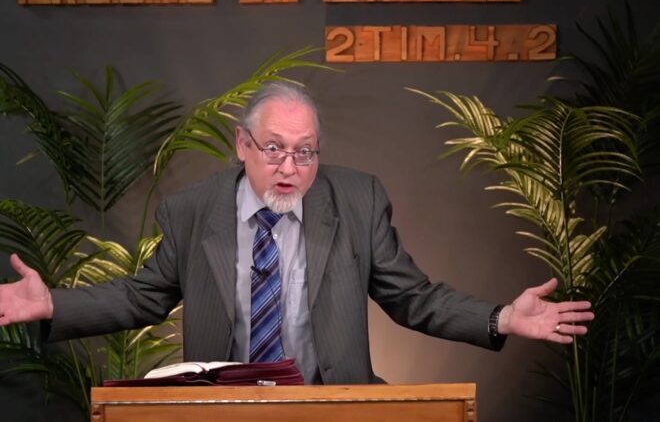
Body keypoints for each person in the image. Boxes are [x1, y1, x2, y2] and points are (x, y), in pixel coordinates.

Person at [0, 81, 594, 384]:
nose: (290, 168)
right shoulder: (191, 210)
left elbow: (412, 297)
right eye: (275, 149)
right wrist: (54, 304)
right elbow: (143, 295)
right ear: (243, 144)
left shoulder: (356, 200)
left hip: (332, 407)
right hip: (224, 412)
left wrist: (501, 318)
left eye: (305, 152)